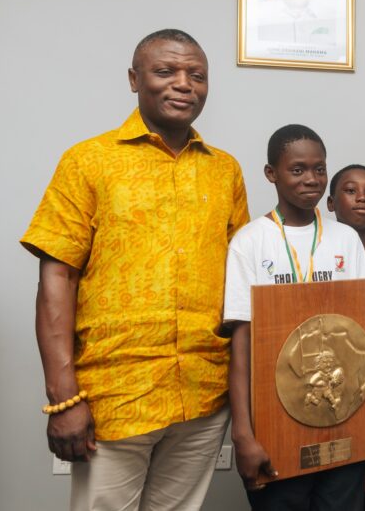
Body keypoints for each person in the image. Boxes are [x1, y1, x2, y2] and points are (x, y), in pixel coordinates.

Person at [20, 29, 249, 510]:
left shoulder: (224, 170)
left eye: (197, 75)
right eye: (166, 71)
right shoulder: (88, 161)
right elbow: (57, 278)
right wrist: (63, 398)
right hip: (114, 395)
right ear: (134, 79)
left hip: (204, 394)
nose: (184, 84)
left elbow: (242, 282)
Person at [224, 125, 365, 510]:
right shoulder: (250, 242)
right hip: (275, 420)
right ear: (271, 173)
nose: (311, 179)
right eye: (298, 169)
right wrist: (242, 433)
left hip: (341, 414)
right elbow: (241, 344)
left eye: (319, 169)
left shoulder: (344, 239)